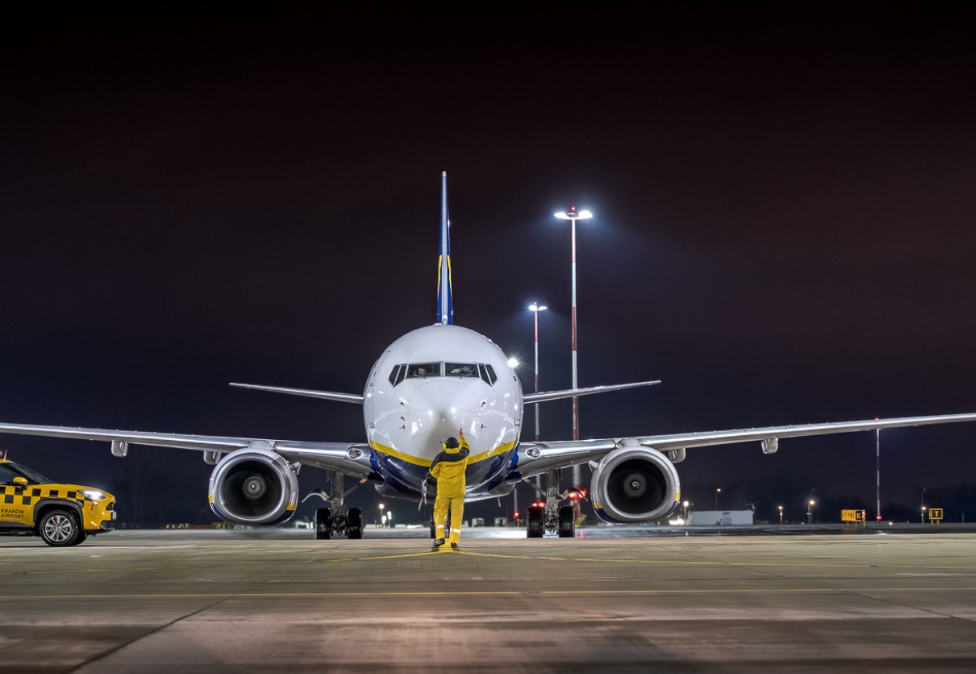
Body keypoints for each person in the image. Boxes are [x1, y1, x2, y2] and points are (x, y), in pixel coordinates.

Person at [427, 431, 470, 550]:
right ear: (457, 446)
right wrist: (461, 436)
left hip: (444, 492)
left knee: (439, 514)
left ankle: (440, 538)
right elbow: (466, 447)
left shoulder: (440, 457)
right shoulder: (463, 455)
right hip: (458, 492)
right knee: (456, 516)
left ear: (445, 446)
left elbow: (433, 473)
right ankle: (454, 541)